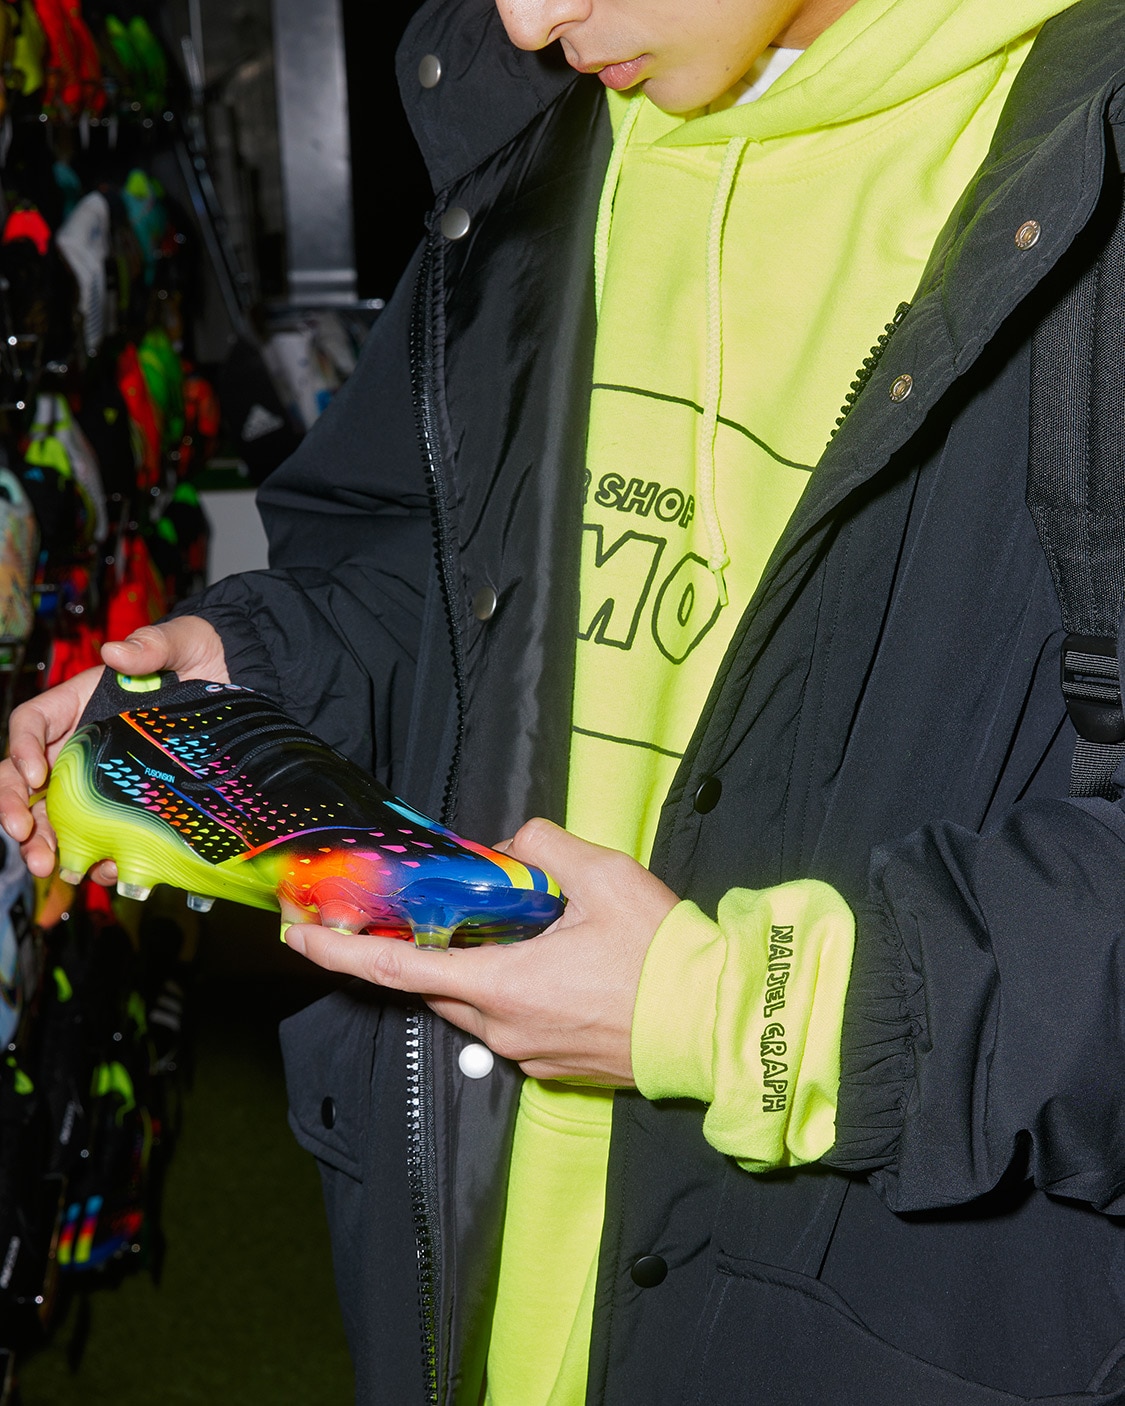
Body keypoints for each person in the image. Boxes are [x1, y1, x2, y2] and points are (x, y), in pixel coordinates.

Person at [5, 0, 1125, 1401]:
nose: (527, 18)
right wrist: (258, 671)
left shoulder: (1089, 173)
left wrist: (727, 1011)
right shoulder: (538, 139)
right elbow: (430, 562)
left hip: (862, 1312)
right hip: (479, 1248)